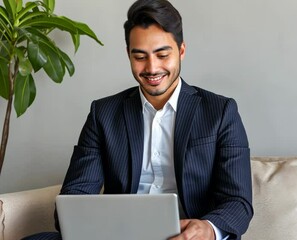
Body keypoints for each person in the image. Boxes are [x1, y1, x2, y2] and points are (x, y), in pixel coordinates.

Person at [23, 0, 253, 239]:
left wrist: (208, 229)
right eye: (140, 56)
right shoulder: (103, 113)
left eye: (162, 55)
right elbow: (75, 194)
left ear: (181, 50)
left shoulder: (221, 111)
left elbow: (238, 202)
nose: (152, 68)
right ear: (128, 55)